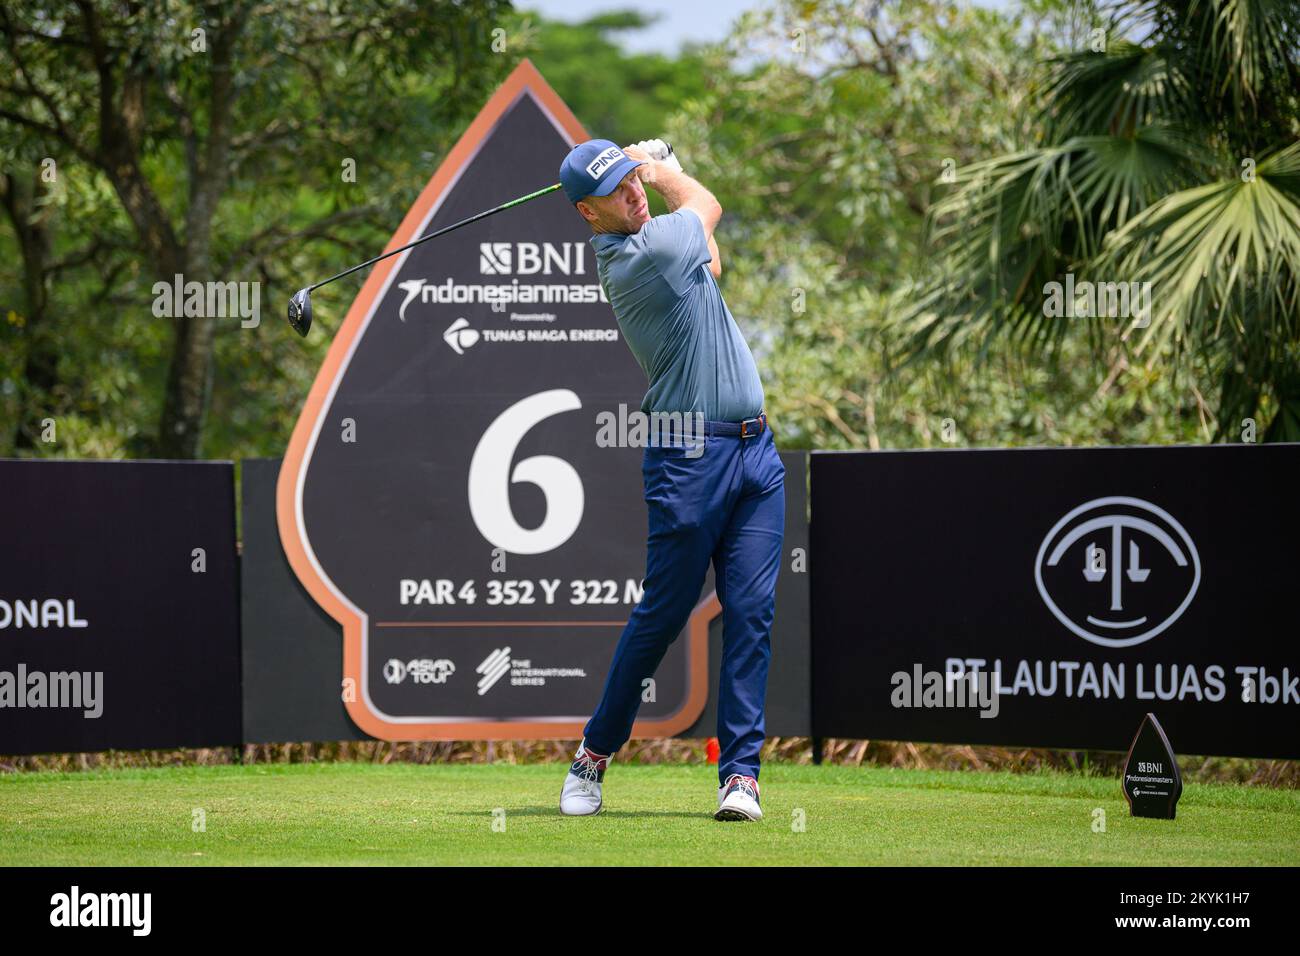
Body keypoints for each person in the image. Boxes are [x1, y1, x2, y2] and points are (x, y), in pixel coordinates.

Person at [556, 138, 785, 821]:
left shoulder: (663, 242)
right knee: (663, 616)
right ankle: (594, 753)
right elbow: (707, 206)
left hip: (756, 452)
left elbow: (711, 255)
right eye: (618, 192)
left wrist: (649, 173)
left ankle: (740, 776)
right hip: (687, 455)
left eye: (633, 182)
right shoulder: (638, 260)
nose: (633, 193)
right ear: (589, 216)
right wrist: (661, 168)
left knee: (752, 613)